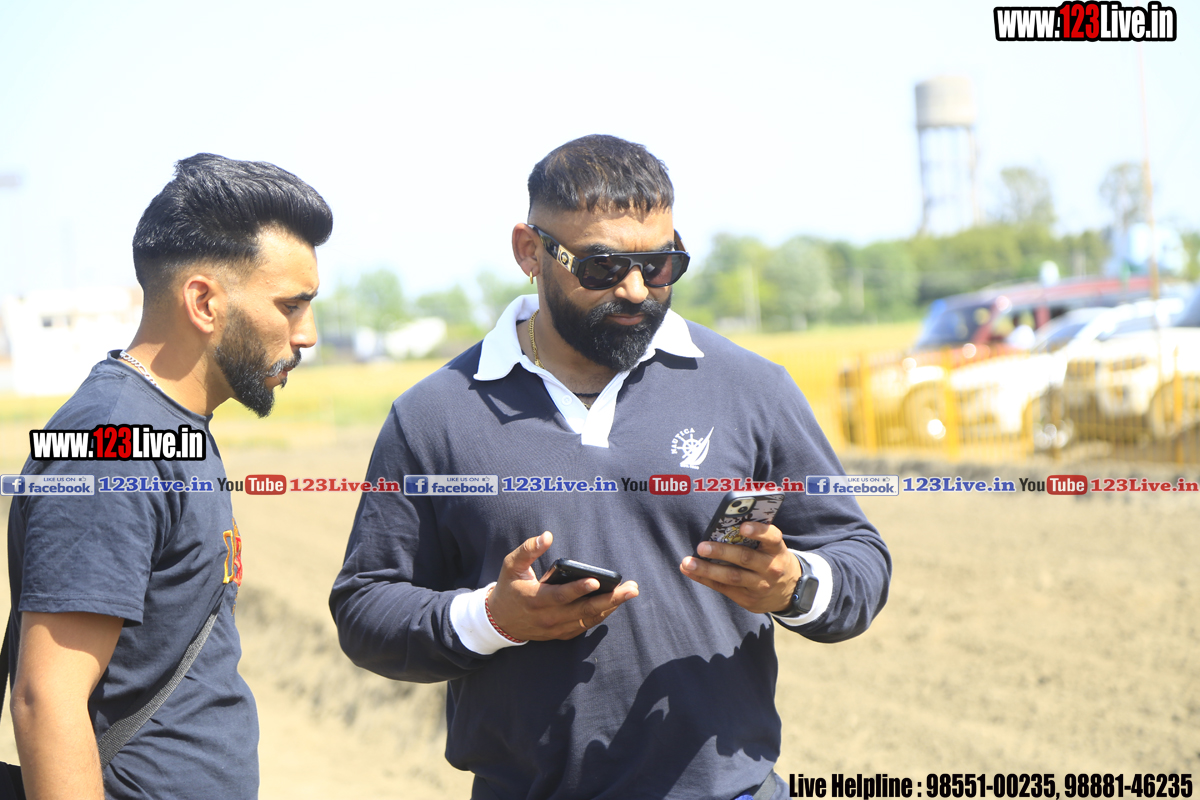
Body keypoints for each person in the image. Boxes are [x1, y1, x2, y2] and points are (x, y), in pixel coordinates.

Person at [329, 134, 889, 800]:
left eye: (660, 264)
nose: (635, 289)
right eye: (602, 267)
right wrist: (493, 619)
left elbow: (860, 558)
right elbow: (365, 608)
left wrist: (793, 586)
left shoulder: (751, 389)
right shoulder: (434, 415)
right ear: (530, 251)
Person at [6, 153, 332, 800]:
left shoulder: (166, 426)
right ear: (203, 301)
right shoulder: (112, 443)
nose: (308, 335)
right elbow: (48, 699)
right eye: (291, 306)